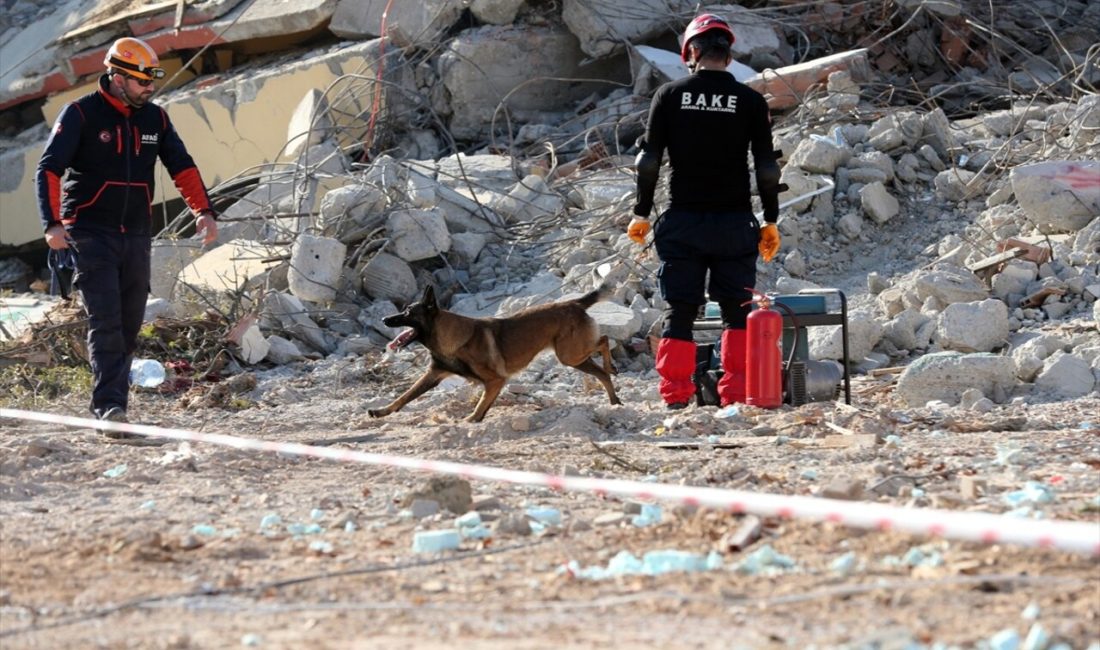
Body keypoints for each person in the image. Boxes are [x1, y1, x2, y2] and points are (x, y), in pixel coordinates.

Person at [36, 36, 218, 426]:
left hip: (136, 234)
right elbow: (49, 169)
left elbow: (182, 167)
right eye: (141, 81)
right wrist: (52, 224)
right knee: (106, 320)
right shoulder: (81, 114)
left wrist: (203, 211)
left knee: (131, 323)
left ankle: (114, 403)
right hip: (88, 232)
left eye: (152, 81)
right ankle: (109, 407)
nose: (149, 88)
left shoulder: (156, 118)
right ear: (117, 76)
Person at [626, 14, 785, 410]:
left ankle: (677, 400)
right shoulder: (749, 101)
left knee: (680, 310)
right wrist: (770, 219)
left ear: (691, 53)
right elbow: (767, 168)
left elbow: (648, 162)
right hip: (734, 224)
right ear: (728, 56)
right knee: (736, 310)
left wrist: (641, 212)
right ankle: (736, 398)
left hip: (684, 222)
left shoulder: (669, 95)